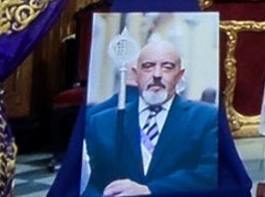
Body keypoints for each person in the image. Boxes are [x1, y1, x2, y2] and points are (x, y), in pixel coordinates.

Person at [82, 40, 219, 196]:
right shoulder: (102, 122)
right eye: (148, 66)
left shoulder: (206, 118)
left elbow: (210, 172)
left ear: (179, 75)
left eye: (167, 67)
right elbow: (90, 181)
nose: (157, 75)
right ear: (135, 74)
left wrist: (151, 189)